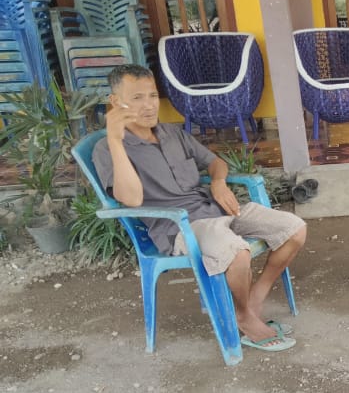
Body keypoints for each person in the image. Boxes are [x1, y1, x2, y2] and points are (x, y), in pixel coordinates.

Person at [93, 64, 307, 352]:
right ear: (115, 102)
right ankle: (243, 317)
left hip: (214, 208)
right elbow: (130, 199)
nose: (149, 105)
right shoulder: (106, 149)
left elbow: (215, 162)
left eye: (153, 96)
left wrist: (218, 183)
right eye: (137, 98)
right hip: (179, 227)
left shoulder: (172, 133)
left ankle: (254, 299)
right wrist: (115, 140)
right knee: (237, 253)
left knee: (294, 229)